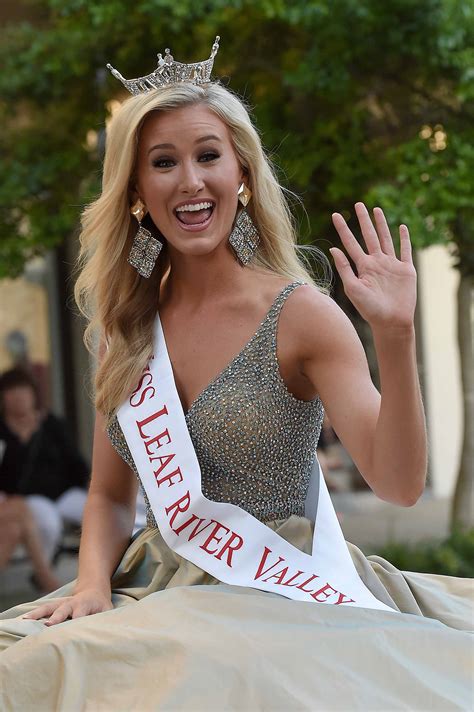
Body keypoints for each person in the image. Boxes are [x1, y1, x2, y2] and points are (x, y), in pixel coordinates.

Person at [0, 39, 471, 711]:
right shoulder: (124, 330)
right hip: (154, 585)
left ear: (242, 174)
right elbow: (107, 496)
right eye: (163, 162)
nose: (190, 181)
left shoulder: (301, 316)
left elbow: (398, 485)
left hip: (279, 593)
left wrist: (394, 339)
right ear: (136, 191)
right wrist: (91, 585)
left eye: (208, 156)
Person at [0, 368, 89, 589]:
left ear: (33, 394)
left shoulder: (51, 424)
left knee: (98, 509)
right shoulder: (2, 430)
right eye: (12, 392)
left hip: (64, 492)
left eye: (24, 390)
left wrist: (91, 482)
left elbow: (74, 460)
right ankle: (43, 572)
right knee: (48, 523)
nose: (19, 397)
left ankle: (104, 566)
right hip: (28, 497)